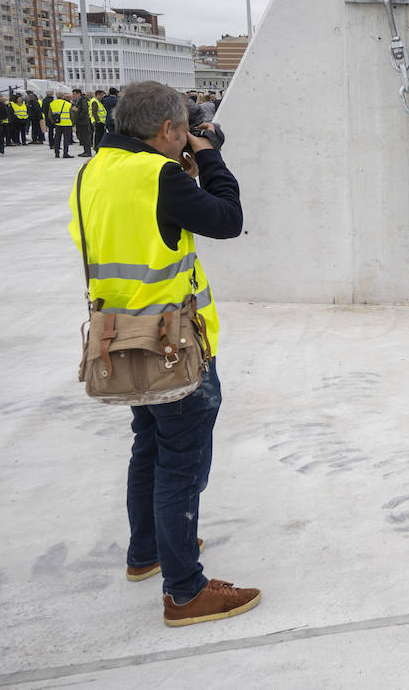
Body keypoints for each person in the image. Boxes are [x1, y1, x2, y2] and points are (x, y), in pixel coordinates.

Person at [68, 80, 260, 627]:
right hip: (175, 346)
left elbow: (136, 228)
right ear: (168, 130)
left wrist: (183, 171)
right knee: (182, 462)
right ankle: (185, 591)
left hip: (122, 341)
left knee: (148, 444)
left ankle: (147, 551)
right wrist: (211, 155)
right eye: (183, 130)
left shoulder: (92, 171)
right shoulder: (160, 176)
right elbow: (228, 219)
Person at [51, 90, 76, 158]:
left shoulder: (52, 103)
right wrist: (73, 123)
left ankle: (57, 153)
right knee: (66, 140)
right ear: (62, 97)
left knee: (57, 139)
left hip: (58, 124)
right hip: (67, 124)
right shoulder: (68, 104)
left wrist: (54, 122)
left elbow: (50, 114)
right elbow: (72, 115)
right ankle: (65, 153)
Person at [71, 90, 93, 158]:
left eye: (74, 94)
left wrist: (78, 114)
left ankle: (88, 152)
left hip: (83, 122)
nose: (73, 96)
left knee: (85, 137)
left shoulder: (82, 100)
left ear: (79, 94)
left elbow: (84, 110)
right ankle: (85, 151)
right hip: (80, 122)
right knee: (82, 137)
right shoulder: (77, 101)